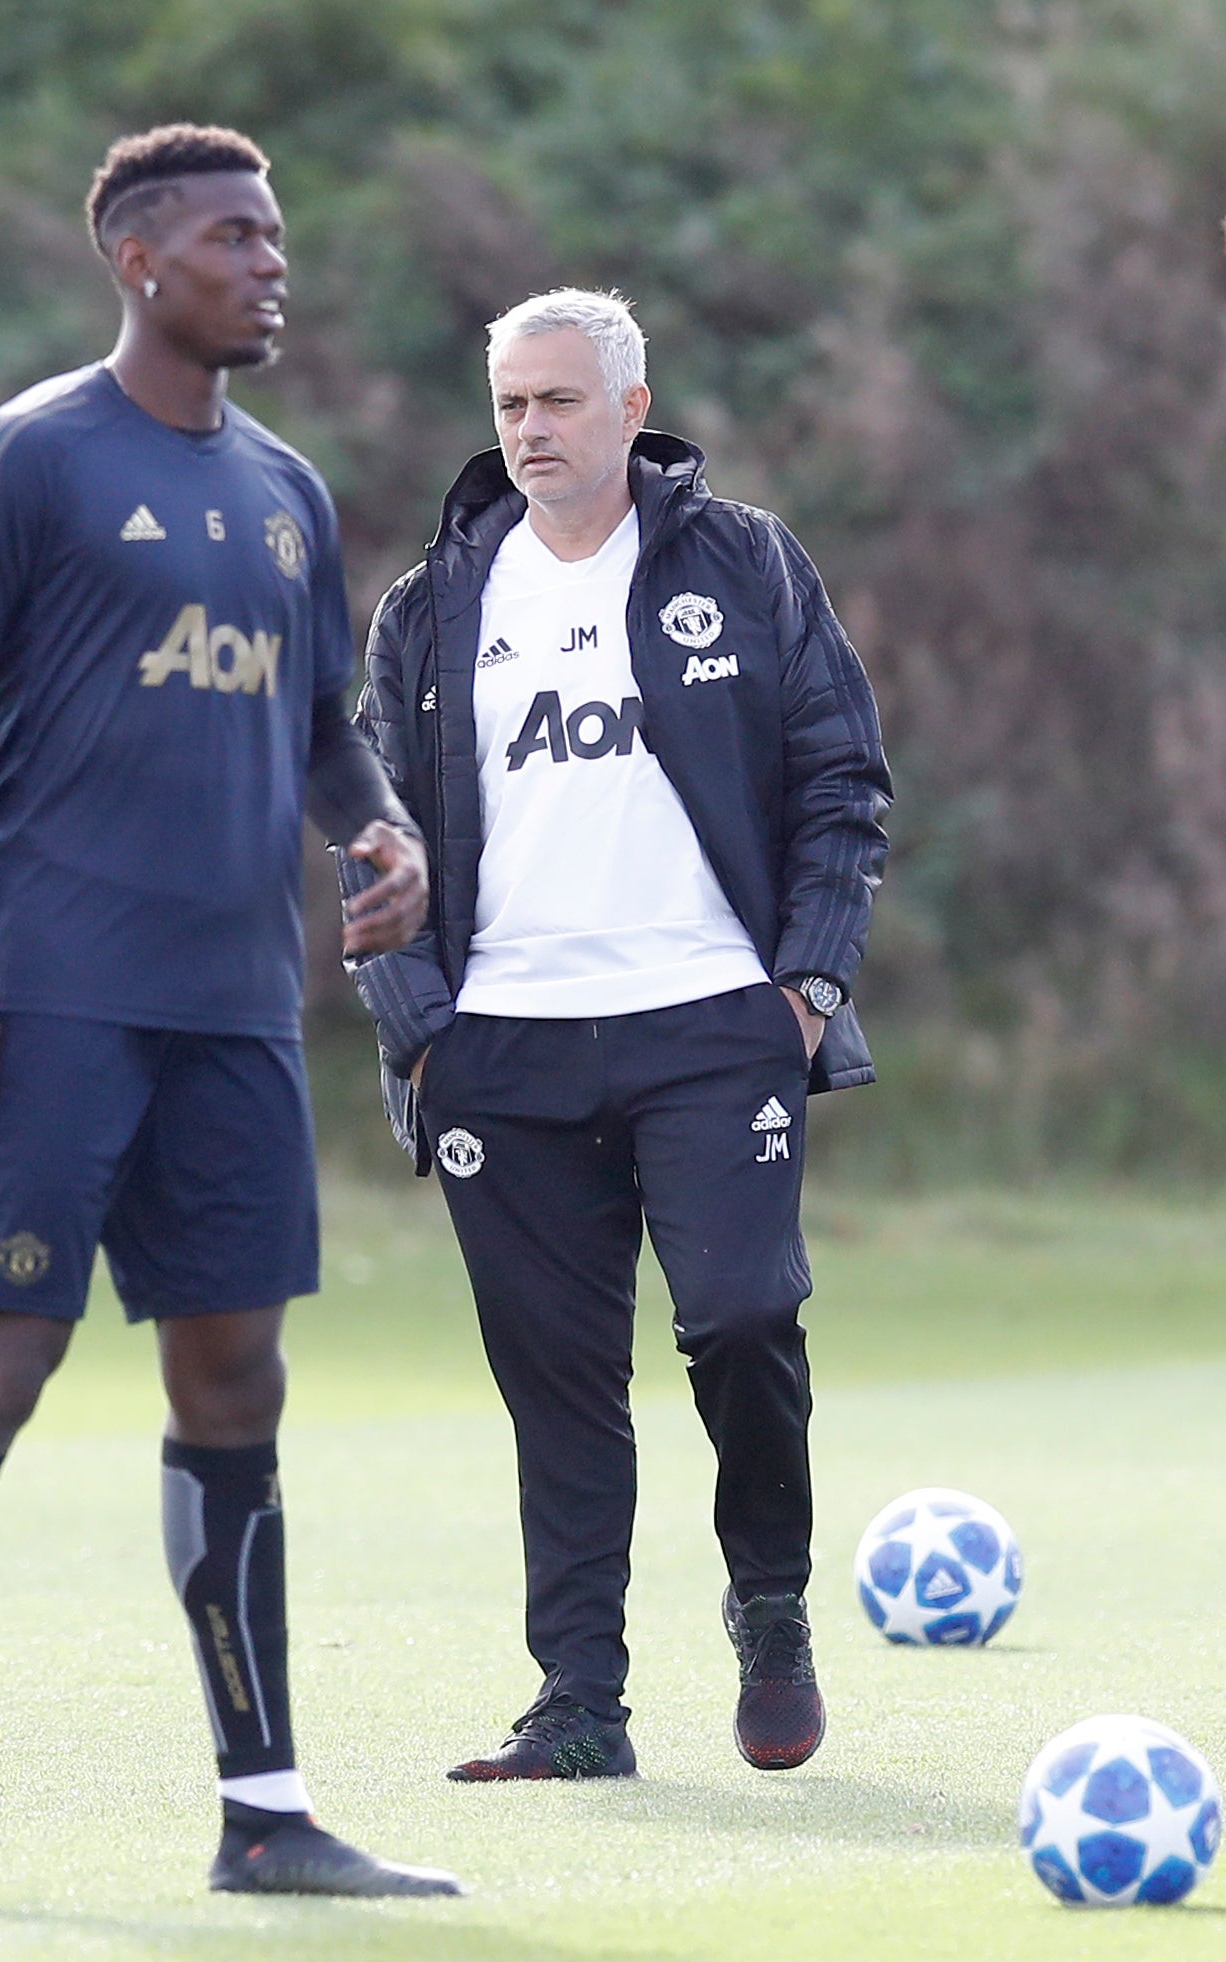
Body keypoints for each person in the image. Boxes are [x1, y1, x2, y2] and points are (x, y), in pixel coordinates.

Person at [0, 123, 462, 1903]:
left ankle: (264, 1813)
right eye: (236, 237)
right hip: (46, 997)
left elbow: (326, 722)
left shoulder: (285, 490)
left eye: (279, 235)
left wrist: (380, 826)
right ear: (139, 259)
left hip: (235, 1012)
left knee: (237, 1380)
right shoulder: (32, 457)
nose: (272, 263)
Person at [342, 289, 890, 1782]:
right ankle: (579, 1701)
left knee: (739, 1316)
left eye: (560, 401)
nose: (528, 430)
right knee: (559, 1377)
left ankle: (769, 1600)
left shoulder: (744, 561)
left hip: (715, 1021)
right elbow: (369, 839)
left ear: (632, 408)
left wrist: (808, 989)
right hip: (502, 1049)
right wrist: (422, 1036)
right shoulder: (432, 607)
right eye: (511, 404)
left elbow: (845, 782)